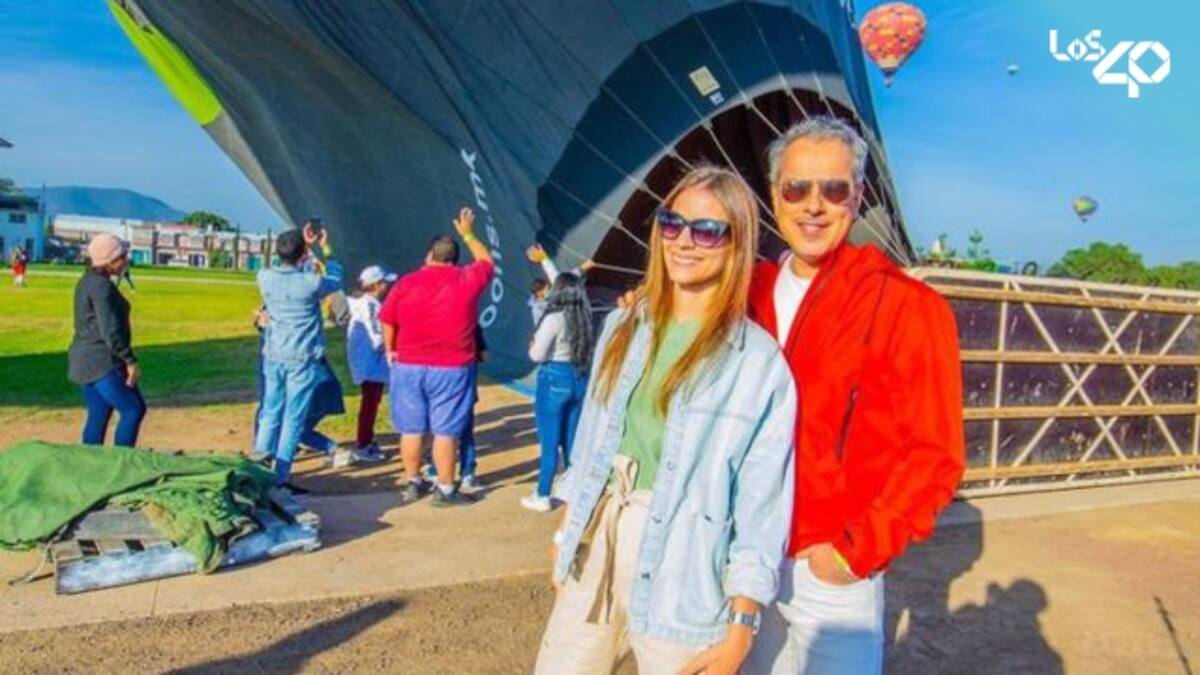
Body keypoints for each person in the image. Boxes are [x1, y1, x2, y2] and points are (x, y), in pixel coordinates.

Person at [536, 166, 797, 675]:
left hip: (686, 571)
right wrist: (565, 535)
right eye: (671, 223)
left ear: (737, 243)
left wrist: (743, 623)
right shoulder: (622, 327)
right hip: (597, 543)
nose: (683, 241)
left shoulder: (757, 362)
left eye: (707, 230)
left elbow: (761, 502)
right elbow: (590, 441)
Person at [742, 116, 965, 674]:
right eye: (797, 188)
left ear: (858, 195)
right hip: (744, 562)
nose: (814, 206)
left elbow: (935, 454)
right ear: (774, 194)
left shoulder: (908, 306)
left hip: (828, 571)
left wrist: (854, 551)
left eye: (834, 189)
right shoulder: (744, 293)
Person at [380, 207, 493, 507]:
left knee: (411, 428)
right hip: (452, 367)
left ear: (429, 255)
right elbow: (486, 261)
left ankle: (413, 481)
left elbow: (387, 319)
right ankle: (445, 488)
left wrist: (390, 349)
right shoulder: (467, 279)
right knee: (446, 431)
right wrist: (468, 234)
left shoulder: (406, 282)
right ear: (454, 259)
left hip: (409, 364)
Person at [250, 224, 344, 485]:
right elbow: (335, 276)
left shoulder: (264, 277)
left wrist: (301, 247)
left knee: (270, 413)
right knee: (293, 419)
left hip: (273, 354)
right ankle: (280, 476)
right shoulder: (311, 282)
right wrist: (324, 248)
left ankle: (258, 470)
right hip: (302, 357)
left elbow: (286, 264)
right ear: (302, 255)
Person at [520, 271, 594, 512]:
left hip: (553, 378)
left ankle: (543, 493)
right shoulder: (585, 318)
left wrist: (532, 345)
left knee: (549, 442)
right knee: (572, 440)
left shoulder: (554, 319)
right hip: (578, 377)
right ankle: (573, 491)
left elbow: (536, 355)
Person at [68, 234, 146, 447]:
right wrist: (130, 360)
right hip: (102, 362)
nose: (126, 261)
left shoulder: (87, 281)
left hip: (83, 360)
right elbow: (110, 330)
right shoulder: (102, 288)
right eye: (122, 257)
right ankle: (122, 459)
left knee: (99, 413)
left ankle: (90, 461)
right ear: (109, 261)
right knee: (133, 409)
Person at [346, 265, 396, 463]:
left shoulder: (369, 303)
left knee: (371, 403)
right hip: (370, 364)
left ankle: (366, 440)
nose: (387, 285)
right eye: (384, 282)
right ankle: (363, 445)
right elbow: (376, 337)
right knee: (369, 404)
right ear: (375, 285)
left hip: (370, 363)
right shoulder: (369, 306)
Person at [525, 244, 595, 325]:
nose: (551, 289)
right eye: (547, 289)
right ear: (539, 294)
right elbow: (542, 327)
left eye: (549, 287)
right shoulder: (538, 310)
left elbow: (561, 278)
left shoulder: (554, 289)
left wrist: (584, 267)